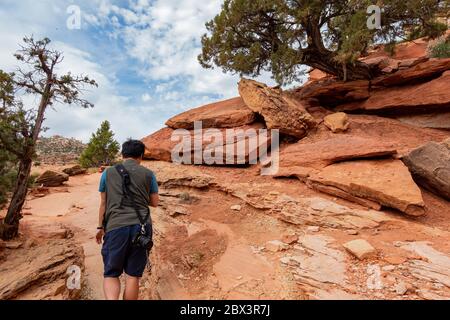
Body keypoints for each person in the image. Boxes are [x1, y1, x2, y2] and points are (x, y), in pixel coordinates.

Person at [96, 139, 159, 300]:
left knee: (111, 273)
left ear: (122, 154)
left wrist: (99, 227)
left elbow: (103, 202)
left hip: (115, 226)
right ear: (141, 156)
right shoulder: (148, 174)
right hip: (142, 228)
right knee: (133, 276)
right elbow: (154, 203)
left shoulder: (107, 173)